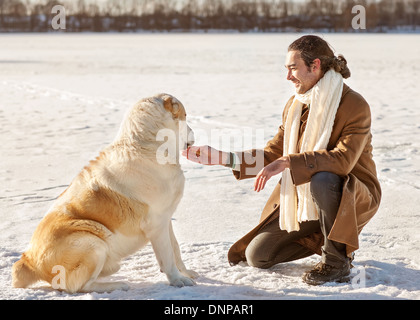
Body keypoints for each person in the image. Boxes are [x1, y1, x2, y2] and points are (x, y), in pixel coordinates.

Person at [182, 35, 381, 285]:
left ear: (315, 65)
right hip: (304, 198)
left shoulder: (353, 104)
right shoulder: (295, 105)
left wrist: (289, 162)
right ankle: (329, 236)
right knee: (259, 256)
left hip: (351, 195)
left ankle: (336, 260)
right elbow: (271, 154)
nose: (288, 77)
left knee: (324, 178)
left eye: (292, 68)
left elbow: (343, 161)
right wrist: (223, 158)